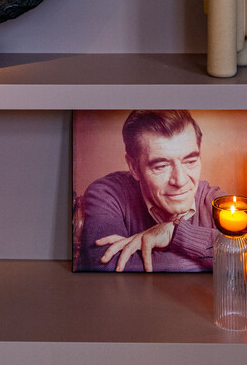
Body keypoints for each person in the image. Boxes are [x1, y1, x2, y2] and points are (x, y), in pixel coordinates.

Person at [77, 109, 223, 272]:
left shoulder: (217, 202)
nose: (180, 181)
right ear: (134, 168)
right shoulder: (107, 193)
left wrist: (174, 232)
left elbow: (246, 255)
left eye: (190, 161)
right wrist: (215, 261)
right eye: (161, 166)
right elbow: (108, 267)